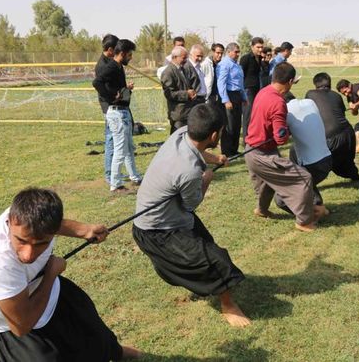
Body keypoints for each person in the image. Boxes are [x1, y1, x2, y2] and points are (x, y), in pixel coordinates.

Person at [0, 188, 141, 361]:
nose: (28, 254)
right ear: (9, 222)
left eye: (41, 243)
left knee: (94, 332)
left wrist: (83, 230)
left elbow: (55, 224)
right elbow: (21, 325)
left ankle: (116, 352)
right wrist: (51, 274)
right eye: (21, 240)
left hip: (52, 295)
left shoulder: (30, 219)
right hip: (16, 329)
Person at [132, 104, 250, 327]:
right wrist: (207, 178)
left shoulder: (181, 134)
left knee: (207, 245)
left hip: (172, 218)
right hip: (157, 231)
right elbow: (191, 205)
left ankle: (188, 274)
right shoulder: (188, 171)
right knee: (216, 261)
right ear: (214, 134)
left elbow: (199, 150)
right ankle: (228, 305)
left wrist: (215, 160)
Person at [244, 62, 325, 232]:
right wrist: (290, 130)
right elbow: (281, 138)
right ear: (290, 81)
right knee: (303, 178)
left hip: (250, 150)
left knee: (267, 182)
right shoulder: (278, 103)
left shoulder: (263, 92)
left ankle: (262, 209)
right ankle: (304, 221)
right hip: (263, 155)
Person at [93, 39, 143, 193]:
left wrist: (124, 90)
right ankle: (115, 184)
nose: (131, 58)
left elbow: (116, 87)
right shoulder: (112, 67)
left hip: (123, 111)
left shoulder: (119, 67)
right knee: (120, 149)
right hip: (116, 113)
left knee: (128, 147)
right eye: (129, 54)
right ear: (122, 53)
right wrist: (111, 96)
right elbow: (97, 82)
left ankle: (134, 177)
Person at [283, 92, 332, 213]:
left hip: (313, 166)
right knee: (294, 152)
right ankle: (317, 202)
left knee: (281, 199)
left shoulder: (286, 112)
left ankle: (315, 212)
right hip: (328, 159)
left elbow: (281, 137)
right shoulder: (310, 103)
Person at [306, 73, 359, 181]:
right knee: (346, 162)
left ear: (315, 84)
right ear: (330, 83)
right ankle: (356, 177)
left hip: (331, 137)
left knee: (322, 164)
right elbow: (341, 114)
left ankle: (307, 185)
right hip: (349, 134)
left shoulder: (310, 94)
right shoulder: (337, 95)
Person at [92, 33, 119, 184]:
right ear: (110, 49)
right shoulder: (102, 65)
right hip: (108, 107)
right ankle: (109, 175)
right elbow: (99, 85)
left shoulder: (110, 62)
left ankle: (114, 172)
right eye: (116, 50)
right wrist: (113, 97)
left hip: (113, 105)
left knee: (115, 139)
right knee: (110, 139)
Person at [216, 42, 247, 157]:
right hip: (229, 95)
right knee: (229, 124)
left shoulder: (236, 65)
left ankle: (234, 149)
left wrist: (243, 97)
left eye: (239, 51)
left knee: (237, 124)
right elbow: (221, 83)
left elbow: (240, 82)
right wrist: (225, 99)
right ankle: (227, 151)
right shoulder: (224, 64)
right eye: (236, 52)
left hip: (237, 95)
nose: (238, 54)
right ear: (229, 52)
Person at [160, 46, 201, 134]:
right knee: (177, 141)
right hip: (178, 115)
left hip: (188, 112)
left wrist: (193, 93)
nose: (186, 60)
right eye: (184, 58)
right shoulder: (168, 72)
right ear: (175, 57)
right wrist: (186, 94)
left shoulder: (184, 70)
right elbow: (169, 93)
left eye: (186, 57)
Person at [239, 37, 264, 139]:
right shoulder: (246, 58)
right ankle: (246, 139)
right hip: (248, 90)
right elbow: (240, 75)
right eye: (258, 47)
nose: (260, 49)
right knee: (247, 115)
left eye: (261, 47)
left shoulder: (259, 59)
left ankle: (253, 136)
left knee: (255, 115)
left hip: (257, 89)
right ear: (252, 47)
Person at [201, 43, 225, 108]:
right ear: (212, 52)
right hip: (209, 96)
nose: (220, 55)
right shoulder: (205, 64)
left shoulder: (222, 65)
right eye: (218, 53)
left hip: (220, 96)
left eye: (221, 53)